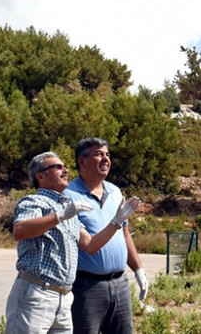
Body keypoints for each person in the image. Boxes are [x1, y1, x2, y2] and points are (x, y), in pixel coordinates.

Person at [5, 151, 139, 334]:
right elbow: (19, 231)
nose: (65, 170)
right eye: (57, 167)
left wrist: (116, 222)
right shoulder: (34, 201)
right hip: (36, 294)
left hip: (64, 297)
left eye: (65, 166)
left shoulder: (67, 208)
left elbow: (91, 245)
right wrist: (59, 216)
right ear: (40, 176)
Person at [63, 137, 148, 334]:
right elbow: (90, 246)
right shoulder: (69, 196)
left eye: (108, 155)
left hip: (120, 283)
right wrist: (116, 221)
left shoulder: (115, 192)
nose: (106, 159)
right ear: (81, 161)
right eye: (98, 154)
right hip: (87, 286)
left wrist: (138, 270)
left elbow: (125, 235)